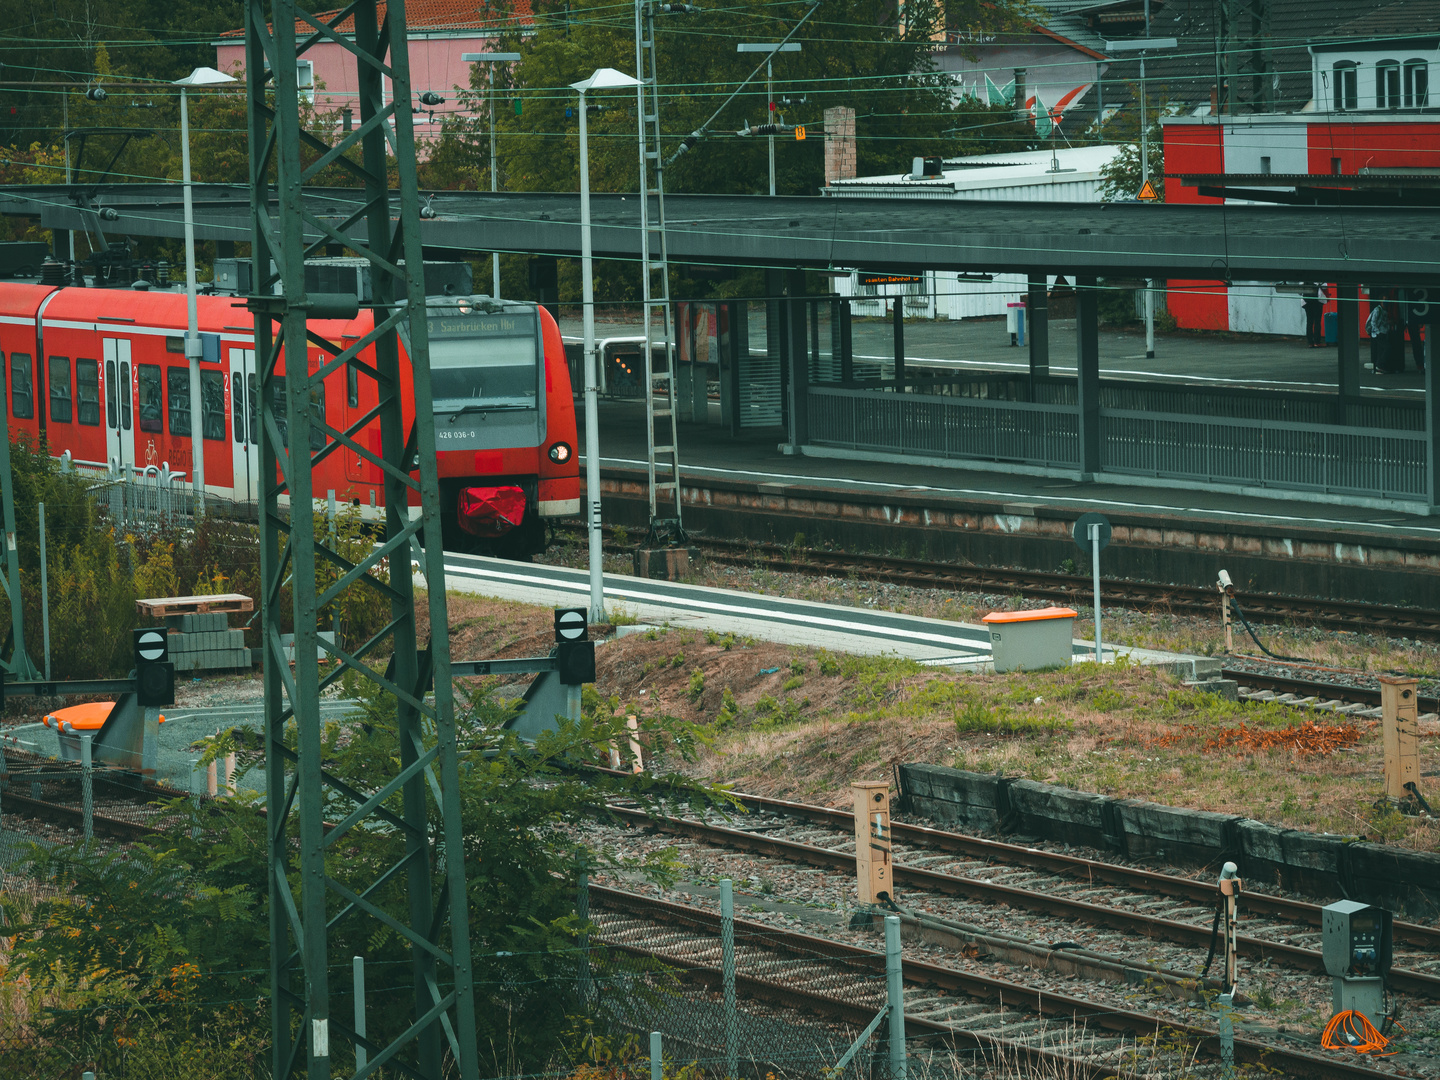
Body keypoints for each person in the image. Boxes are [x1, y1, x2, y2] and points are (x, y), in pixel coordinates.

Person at [1367, 297, 1394, 373]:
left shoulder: (1385, 311)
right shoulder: (1377, 310)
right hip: (1378, 333)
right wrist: (1377, 332)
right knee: (1387, 348)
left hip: (1383, 332)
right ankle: (1379, 365)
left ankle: (1378, 368)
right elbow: (1373, 322)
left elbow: (1383, 322)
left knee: (1380, 351)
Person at [1303, 283, 1326, 348]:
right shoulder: (1318, 277)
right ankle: (1317, 342)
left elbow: (1299, 292)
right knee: (1317, 321)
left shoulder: (1302, 278)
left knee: (1309, 322)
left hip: (1307, 302)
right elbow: (1325, 287)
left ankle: (1310, 342)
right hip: (1317, 301)